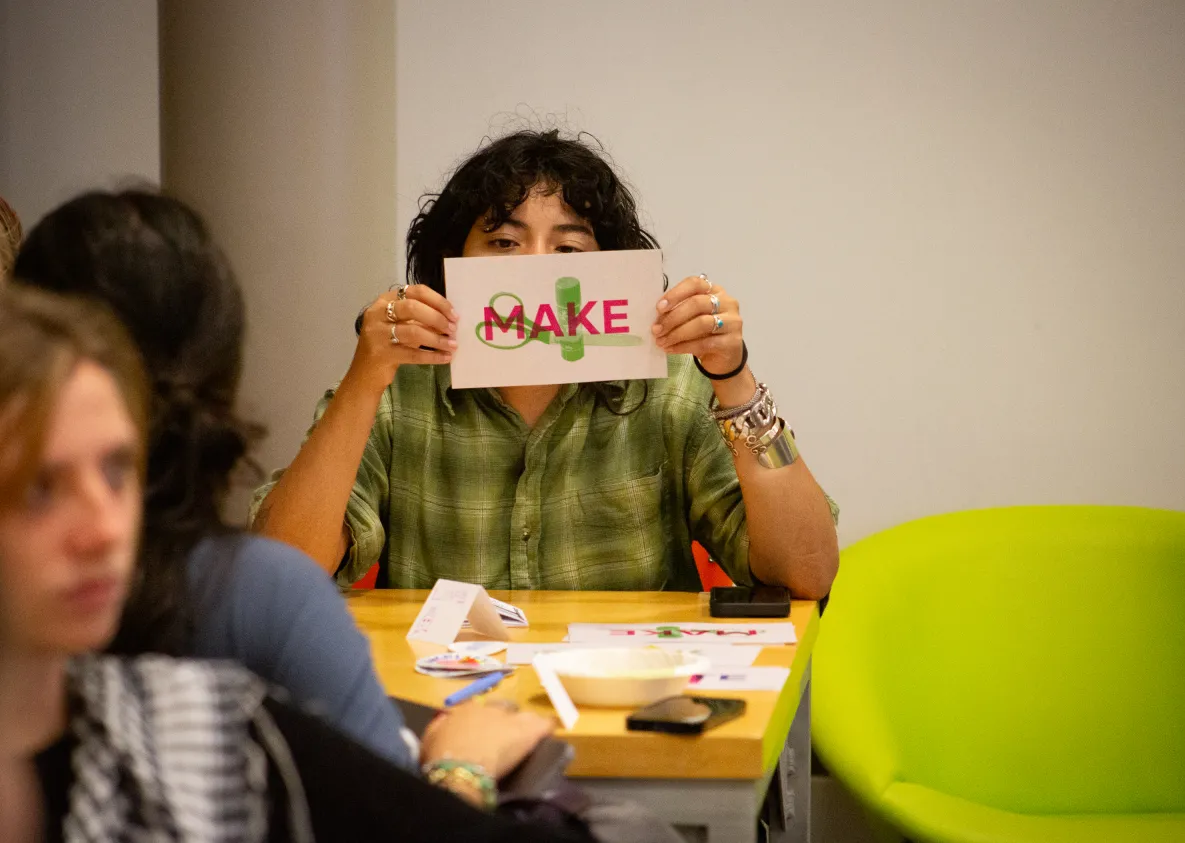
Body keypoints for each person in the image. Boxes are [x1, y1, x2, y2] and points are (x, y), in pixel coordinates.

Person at [0, 284, 594, 842]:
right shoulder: (208, 714)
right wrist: (460, 772)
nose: (105, 529)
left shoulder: (202, 725)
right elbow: (293, 556)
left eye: (116, 470)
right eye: (38, 487)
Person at [11, 190, 548, 776]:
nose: (537, 266)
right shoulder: (254, 593)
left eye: (113, 469)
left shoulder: (247, 590)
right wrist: (461, 768)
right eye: (503, 242)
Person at [251, 129, 840, 596]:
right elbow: (284, 575)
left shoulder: (667, 388)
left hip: (629, 706)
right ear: (451, 265)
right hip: (448, 709)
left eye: (569, 248)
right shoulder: (397, 389)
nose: (536, 267)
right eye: (504, 243)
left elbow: (806, 571)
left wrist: (733, 376)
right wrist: (363, 380)